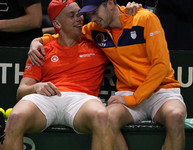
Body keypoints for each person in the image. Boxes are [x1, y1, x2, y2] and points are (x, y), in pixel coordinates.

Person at [28, 0, 187, 150]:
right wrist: (38, 41)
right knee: (107, 118)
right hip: (128, 93)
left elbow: (161, 65)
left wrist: (134, 98)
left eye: (96, 12)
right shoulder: (96, 29)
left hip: (160, 92)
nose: (93, 18)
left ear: (111, 3)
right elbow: (65, 34)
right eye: (90, 14)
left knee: (176, 115)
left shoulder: (145, 18)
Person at [0, 0, 116, 150]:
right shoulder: (41, 50)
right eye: (71, 15)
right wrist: (37, 87)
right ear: (57, 24)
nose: (79, 18)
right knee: (14, 117)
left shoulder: (98, 45)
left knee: (101, 115)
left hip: (81, 100)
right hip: (46, 99)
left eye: (79, 14)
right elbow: (21, 91)